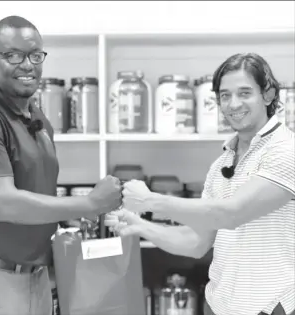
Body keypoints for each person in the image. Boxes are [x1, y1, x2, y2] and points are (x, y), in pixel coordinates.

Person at [0, 16, 122, 315]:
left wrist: (68, 221)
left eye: (35, 55)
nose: (27, 65)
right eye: (13, 55)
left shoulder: (37, 117)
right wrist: (88, 204)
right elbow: (4, 203)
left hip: (36, 277)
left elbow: (35, 189)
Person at [105, 53, 295, 315]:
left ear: (269, 94)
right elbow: (197, 241)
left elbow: (231, 213)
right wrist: (140, 226)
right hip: (222, 307)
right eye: (225, 95)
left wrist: (151, 200)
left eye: (244, 93)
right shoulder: (222, 164)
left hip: (271, 308)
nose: (233, 104)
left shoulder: (285, 150)